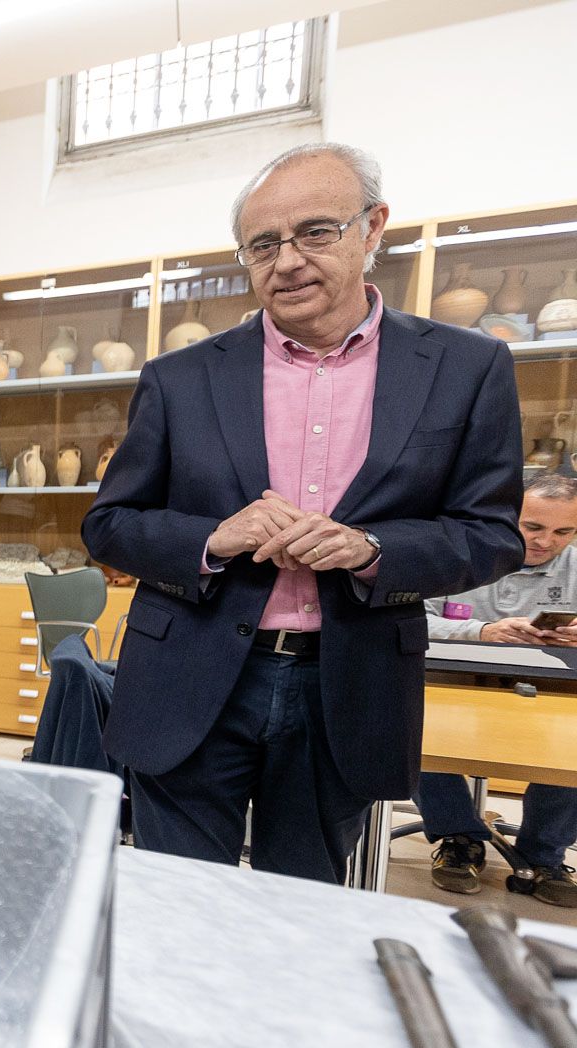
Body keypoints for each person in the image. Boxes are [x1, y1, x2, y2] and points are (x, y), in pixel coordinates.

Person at [83, 142, 524, 882]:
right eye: (262, 244)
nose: (286, 261)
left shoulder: (467, 369)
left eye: (315, 231)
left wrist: (372, 548)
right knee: (181, 904)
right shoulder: (179, 377)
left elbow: (491, 535)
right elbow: (110, 523)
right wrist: (212, 539)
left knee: (305, 904)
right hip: (188, 678)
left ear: (372, 227)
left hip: (346, 684)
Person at [422, 473, 577, 903]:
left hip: (549, 687)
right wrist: (483, 630)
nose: (547, 541)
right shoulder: (458, 556)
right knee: (407, 728)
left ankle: (544, 855)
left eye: (564, 531)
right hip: (452, 678)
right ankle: (458, 839)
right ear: (508, 516)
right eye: (534, 527)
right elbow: (412, 618)